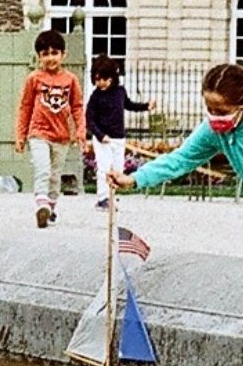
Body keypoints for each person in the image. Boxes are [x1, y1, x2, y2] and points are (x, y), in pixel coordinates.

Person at [110, 63, 243, 264]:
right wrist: (134, 179)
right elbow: (181, 159)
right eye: (209, 108)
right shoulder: (213, 129)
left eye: (221, 111)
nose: (214, 116)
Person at [14, 30, 85, 228]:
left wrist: (80, 131)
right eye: (45, 54)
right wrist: (20, 135)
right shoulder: (34, 79)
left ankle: (50, 208)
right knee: (43, 170)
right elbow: (25, 107)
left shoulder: (70, 80)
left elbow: (78, 107)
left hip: (61, 136)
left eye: (54, 53)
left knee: (55, 175)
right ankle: (40, 205)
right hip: (38, 133)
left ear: (63, 55)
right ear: (39, 57)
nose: (50, 58)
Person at [85, 55, 155, 211]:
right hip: (103, 138)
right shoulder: (95, 97)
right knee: (104, 167)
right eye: (97, 80)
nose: (100, 83)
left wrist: (146, 107)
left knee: (117, 169)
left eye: (104, 79)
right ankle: (102, 198)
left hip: (118, 137)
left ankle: (111, 195)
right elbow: (89, 119)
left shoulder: (120, 92)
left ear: (112, 77)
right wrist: (99, 135)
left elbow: (129, 105)